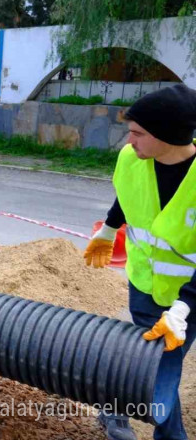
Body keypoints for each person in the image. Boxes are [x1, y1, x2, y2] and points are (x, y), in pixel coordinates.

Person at [84, 84, 196, 440]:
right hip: (144, 285)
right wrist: (108, 228)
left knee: (154, 364)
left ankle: (116, 406)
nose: (129, 141)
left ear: (169, 136)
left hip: (188, 298)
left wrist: (182, 310)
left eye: (138, 134)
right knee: (159, 366)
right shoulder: (134, 158)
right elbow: (128, 195)